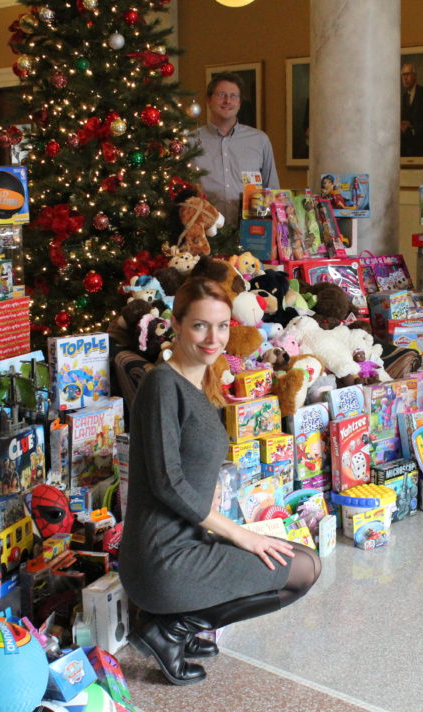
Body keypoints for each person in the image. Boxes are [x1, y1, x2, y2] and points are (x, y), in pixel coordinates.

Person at [119, 277, 320, 685]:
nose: (214, 338)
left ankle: (180, 624)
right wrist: (241, 535)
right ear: (175, 325)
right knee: (301, 570)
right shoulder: (161, 385)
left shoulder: (200, 379)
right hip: (161, 558)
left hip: (191, 540)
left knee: (298, 557)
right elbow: (166, 484)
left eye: (223, 325)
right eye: (200, 326)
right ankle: (168, 628)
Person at [190, 72, 279, 226]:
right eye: (221, 95)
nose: (227, 101)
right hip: (205, 233)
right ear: (208, 100)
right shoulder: (190, 142)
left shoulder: (259, 140)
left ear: (239, 103)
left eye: (234, 96)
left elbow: (272, 192)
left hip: (252, 233)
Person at [400, 62, 423, 157]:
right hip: (409, 149)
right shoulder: (404, 97)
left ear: (414, 76)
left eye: (408, 74)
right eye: (403, 75)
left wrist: (412, 126)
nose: (405, 78)